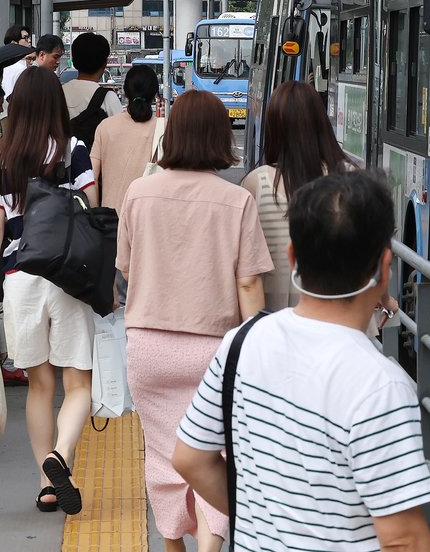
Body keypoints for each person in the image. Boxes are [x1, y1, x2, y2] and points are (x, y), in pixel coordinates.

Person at [173, 171, 430, 552]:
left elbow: (190, 458)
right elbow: (405, 540)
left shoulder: (241, 342)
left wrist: (258, 517)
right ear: (384, 267)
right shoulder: (381, 386)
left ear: (293, 256)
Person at [116, 90, 272, 552]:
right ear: (220, 136)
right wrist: (257, 352)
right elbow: (248, 286)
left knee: (165, 458)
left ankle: (173, 545)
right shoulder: (235, 199)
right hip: (214, 353)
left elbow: (125, 266)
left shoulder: (138, 193)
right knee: (218, 457)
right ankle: (210, 544)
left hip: (148, 348)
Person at [0, 67, 99, 514]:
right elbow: (91, 215)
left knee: (40, 386)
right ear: (56, 106)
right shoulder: (75, 150)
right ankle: (59, 457)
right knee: (79, 382)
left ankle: (45, 485)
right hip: (67, 277)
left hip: (19, 278)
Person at [241, 80, 350, 310]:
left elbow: (246, 267)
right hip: (340, 312)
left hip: (276, 312)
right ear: (321, 123)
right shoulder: (350, 177)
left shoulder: (256, 182)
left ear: (274, 128)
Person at [91, 64, 165, 214]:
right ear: (155, 95)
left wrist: (95, 217)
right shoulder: (165, 129)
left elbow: (91, 177)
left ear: (125, 92)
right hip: (147, 221)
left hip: (112, 223)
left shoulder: (105, 127)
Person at [62, 32, 124, 121]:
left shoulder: (58, 93)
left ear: (74, 62)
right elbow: (118, 130)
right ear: (105, 63)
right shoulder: (108, 98)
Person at [0, 25, 34, 101]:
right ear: (14, 43)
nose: (29, 41)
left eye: (28, 37)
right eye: (25, 38)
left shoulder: (5, 65)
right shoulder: (21, 68)